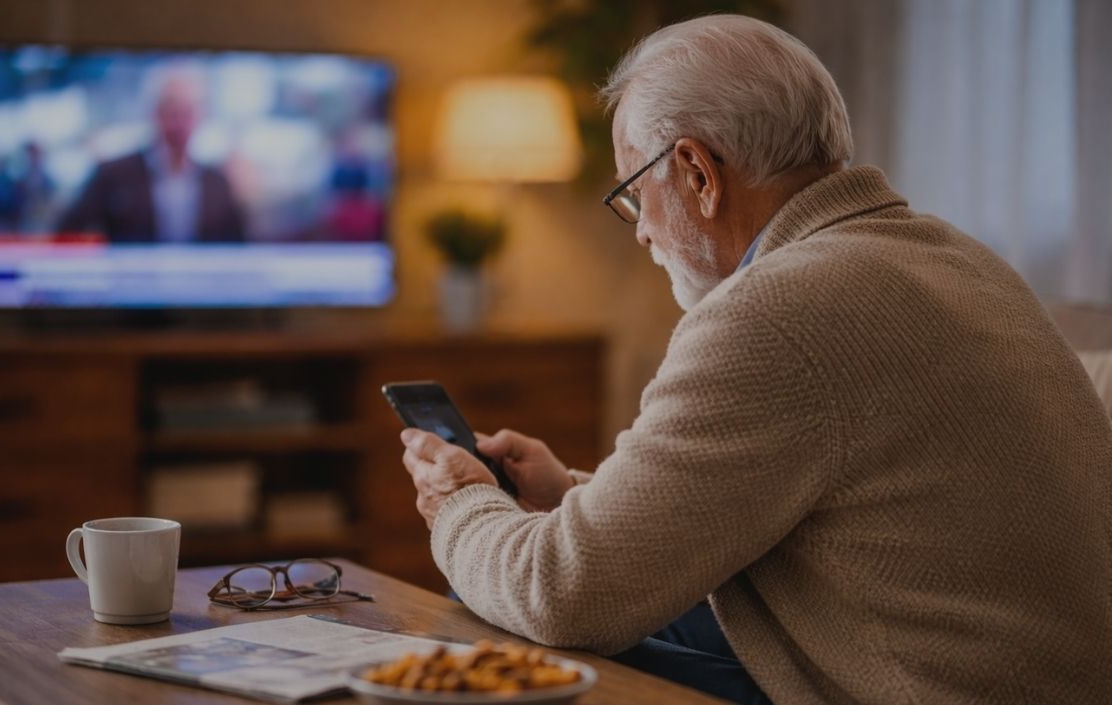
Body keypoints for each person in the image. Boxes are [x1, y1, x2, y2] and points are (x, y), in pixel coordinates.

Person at [398, 14, 1112, 705]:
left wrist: (461, 499)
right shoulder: (959, 258)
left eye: (634, 194)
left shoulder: (776, 310)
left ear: (697, 172)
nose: (641, 232)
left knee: (500, 614)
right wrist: (570, 498)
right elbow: (825, 502)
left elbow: (563, 595)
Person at [57, 69, 244, 243]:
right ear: (155, 113)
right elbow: (67, 234)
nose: (180, 123)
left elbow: (239, 248)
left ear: (200, 116)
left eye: (187, 113)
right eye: (173, 112)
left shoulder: (217, 183)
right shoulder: (113, 175)